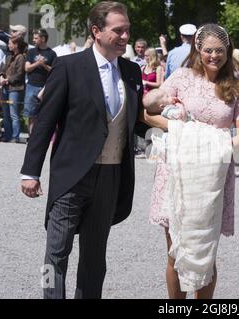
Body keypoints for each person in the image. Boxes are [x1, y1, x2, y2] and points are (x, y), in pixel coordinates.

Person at [20, 1, 146, 299]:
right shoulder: (69, 67)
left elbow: (134, 124)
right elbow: (45, 122)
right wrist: (30, 172)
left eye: (127, 30)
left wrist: (176, 129)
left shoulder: (131, 72)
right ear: (97, 31)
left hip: (111, 176)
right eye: (118, 30)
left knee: (95, 258)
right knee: (56, 254)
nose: (126, 36)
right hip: (72, 176)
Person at [144, 23, 239, 299]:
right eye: (208, 50)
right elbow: (148, 114)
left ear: (227, 51)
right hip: (176, 171)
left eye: (219, 51)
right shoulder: (181, 77)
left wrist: (211, 146)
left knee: (205, 252)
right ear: (197, 49)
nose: (213, 56)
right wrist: (182, 130)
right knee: (175, 251)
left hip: (212, 174)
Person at [24, 29, 57, 135]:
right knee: (31, 113)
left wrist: (44, 65)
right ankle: (31, 136)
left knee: (44, 113)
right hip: (31, 85)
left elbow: (55, 70)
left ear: (43, 39)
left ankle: (41, 136)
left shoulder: (52, 54)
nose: (33, 40)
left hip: (45, 87)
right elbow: (27, 68)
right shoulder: (31, 52)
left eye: (36, 38)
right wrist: (37, 63)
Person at [0, 35, 27, 143]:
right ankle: (7, 135)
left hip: (15, 89)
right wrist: (1, 76)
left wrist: (7, 80)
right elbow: (3, 69)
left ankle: (15, 137)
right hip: (6, 88)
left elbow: (20, 74)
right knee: (5, 114)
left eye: (10, 43)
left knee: (13, 114)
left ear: (16, 45)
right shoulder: (9, 57)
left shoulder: (21, 57)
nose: (8, 45)